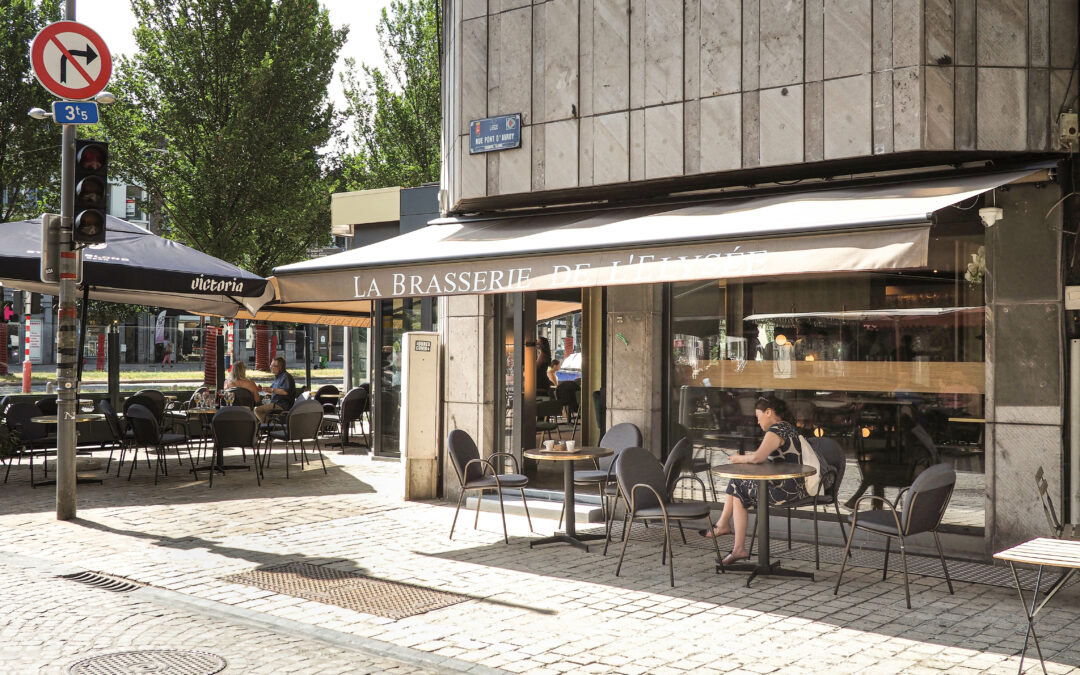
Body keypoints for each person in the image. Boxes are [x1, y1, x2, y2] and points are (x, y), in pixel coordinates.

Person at [702, 395, 809, 565]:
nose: (758, 422)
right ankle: (726, 530)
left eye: (758, 417)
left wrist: (739, 459)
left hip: (785, 491)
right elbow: (774, 461)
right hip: (796, 487)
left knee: (737, 485)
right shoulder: (788, 428)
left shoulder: (776, 430)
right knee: (737, 483)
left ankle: (733, 541)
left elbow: (759, 457)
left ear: (768, 412)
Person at [255, 356, 296, 423]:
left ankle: (269, 426)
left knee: (257, 410)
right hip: (276, 403)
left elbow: (285, 392)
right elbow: (273, 391)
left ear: (280, 367)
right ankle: (269, 425)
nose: (271, 367)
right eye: (271, 365)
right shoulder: (278, 377)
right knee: (258, 407)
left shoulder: (285, 376)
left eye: (273, 366)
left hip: (281, 405)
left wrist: (271, 390)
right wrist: (262, 389)